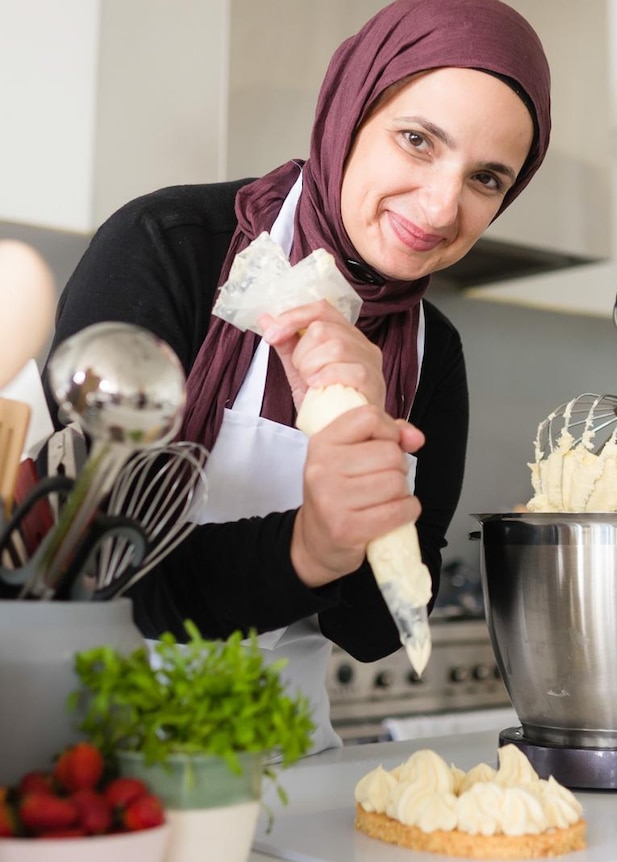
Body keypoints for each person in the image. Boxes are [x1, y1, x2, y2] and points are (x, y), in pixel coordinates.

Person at [42, 0, 551, 753]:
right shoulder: (169, 251)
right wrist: (311, 545)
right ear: (349, 110)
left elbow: (380, 632)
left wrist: (367, 440)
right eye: (416, 140)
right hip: (91, 759)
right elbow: (95, 574)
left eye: (486, 178)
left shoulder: (429, 354)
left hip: (288, 765)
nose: (443, 207)